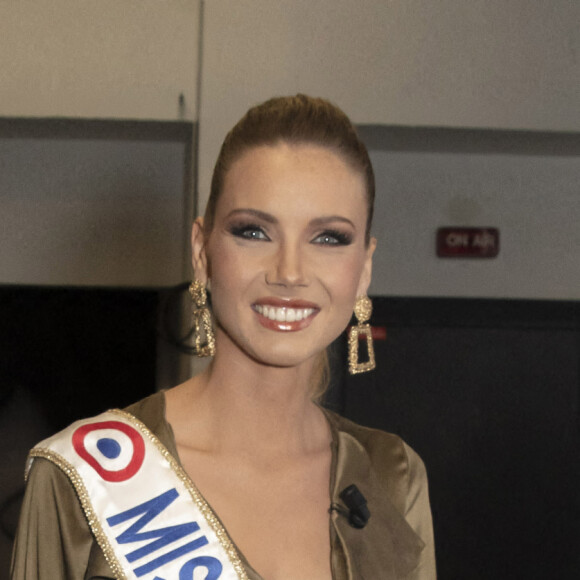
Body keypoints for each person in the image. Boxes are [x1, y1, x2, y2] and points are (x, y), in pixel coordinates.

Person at [11, 94, 436, 579]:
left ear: (364, 267)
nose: (290, 272)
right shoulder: (80, 477)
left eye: (328, 238)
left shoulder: (392, 476)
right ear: (202, 250)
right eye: (254, 232)